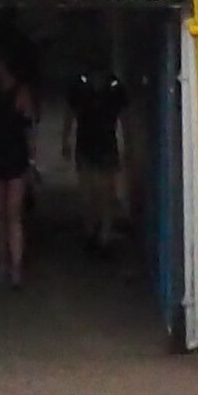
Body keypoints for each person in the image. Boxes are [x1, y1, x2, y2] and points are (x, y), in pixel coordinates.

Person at [0, 49, 36, 288]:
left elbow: (29, 127)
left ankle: (15, 266)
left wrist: (32, 162)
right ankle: (4, 262)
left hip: (15, 157)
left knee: (12, 215)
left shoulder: (21, 93)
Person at [67, 56, 127, 251]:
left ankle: (102, 234)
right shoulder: (85, 88)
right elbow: (71, 114)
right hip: (90, 144)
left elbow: (125, 119)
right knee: (90, 193)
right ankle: (94, 232)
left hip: (103, 144)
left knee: (102, 193)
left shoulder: (114, 88)